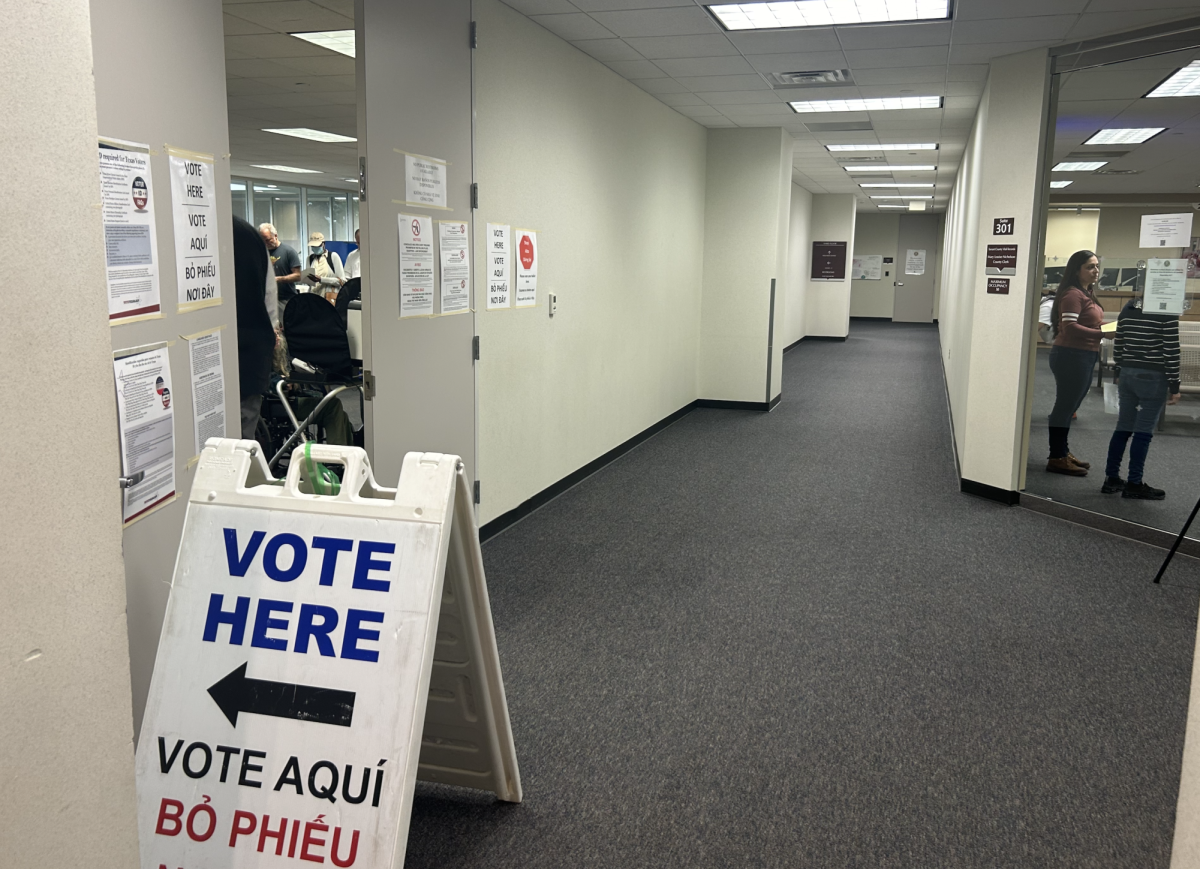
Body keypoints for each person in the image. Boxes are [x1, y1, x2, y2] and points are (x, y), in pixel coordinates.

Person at [1101, 295, 1182, 499]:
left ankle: (1111, 478)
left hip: (1127, 372)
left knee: (1123, 427)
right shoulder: (1166, 311)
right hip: (1153, 376)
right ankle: (1134, 483)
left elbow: (1119, 341)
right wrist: (1175, 384)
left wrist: (1119, 370)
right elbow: (1171, 350)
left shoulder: (1129, 307)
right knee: (1143, 433)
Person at [1046, 249, 1105, 476]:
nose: (1095, 270)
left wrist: (1105, 328)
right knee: (1064, 408)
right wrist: (1102, 334)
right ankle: (1057, 457)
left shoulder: (1087, 293)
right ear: (1077, 270)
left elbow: (1089, 322)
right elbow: (1069, 327)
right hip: (1071, 356)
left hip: (1084, 355)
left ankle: (1062, 451)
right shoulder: (1073, 294)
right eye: (1090, 266)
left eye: (1097, 266)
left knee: (1070, 406)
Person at [233, 216, 277, 440]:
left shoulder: (186, 229)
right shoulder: (249, 235)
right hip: (250, 360)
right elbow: (270, 305)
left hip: (204, 366)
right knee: (240, 449)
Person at [258, 223, 301, 314]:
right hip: (267, 300)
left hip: (286, 299)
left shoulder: (288, 252)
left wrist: (278, 279)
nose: (266, 243)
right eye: (263, 241)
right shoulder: (262, 253)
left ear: (275, 236)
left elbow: (298, 276)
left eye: (268, 240)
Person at [303, 231, 345, 301]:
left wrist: (321, 279)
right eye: (313, 246)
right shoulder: (310, 259)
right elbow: (309, 283)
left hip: (328, 298)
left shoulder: (333, 257)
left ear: (323, 244)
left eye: (317, 246)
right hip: (313, 298)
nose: (315, 248)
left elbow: (341, 281)